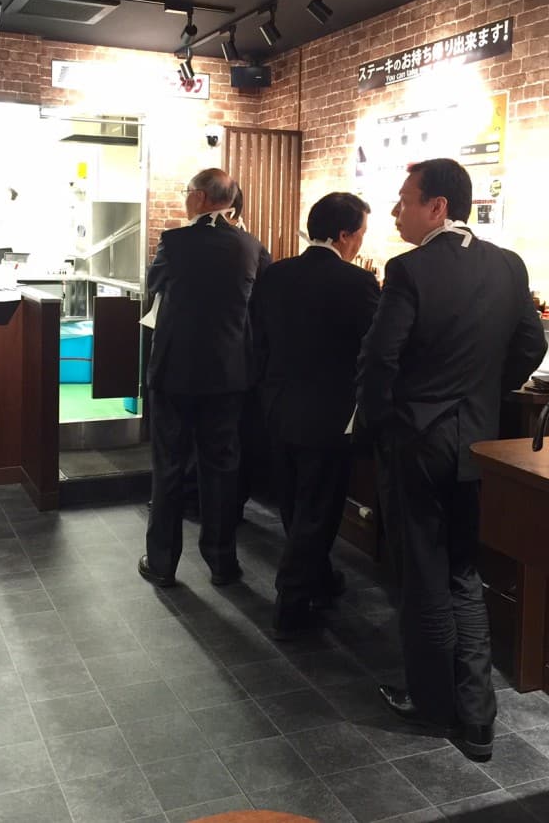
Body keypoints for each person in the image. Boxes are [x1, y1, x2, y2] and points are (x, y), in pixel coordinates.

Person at [356, 158, 546, 760]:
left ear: (437, 207)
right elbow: (531, 346)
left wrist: (380, 424)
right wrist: (483, 395)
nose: (395, 211)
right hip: (477, 443)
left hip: (417, 441)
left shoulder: (409, 269)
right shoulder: (509, 265)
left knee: (423, 573)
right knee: (463, 570)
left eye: (404, 200)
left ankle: (433, 704)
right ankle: (478, 717)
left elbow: (380, 359)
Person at [255, 192, 380, 638]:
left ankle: (321, 579)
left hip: (277, 405)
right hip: (330, 413)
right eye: (361, 233)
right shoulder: (359, 283)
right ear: (345, 235)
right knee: (319, 509)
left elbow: (258, 339)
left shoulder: (275, 274)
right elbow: (374, 348)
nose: (361, 243)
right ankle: (290, 603)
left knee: (294, 503)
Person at [139, 168, 269, 587]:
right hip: (228, 376)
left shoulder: (175, 241)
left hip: (175, 373)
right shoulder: (251, 245)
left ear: (199, 197)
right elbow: (261, 301)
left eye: (186, 192)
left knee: (169, 466)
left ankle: (162, 563)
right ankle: (222, 562)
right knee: (222, 469)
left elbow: (153, 284)